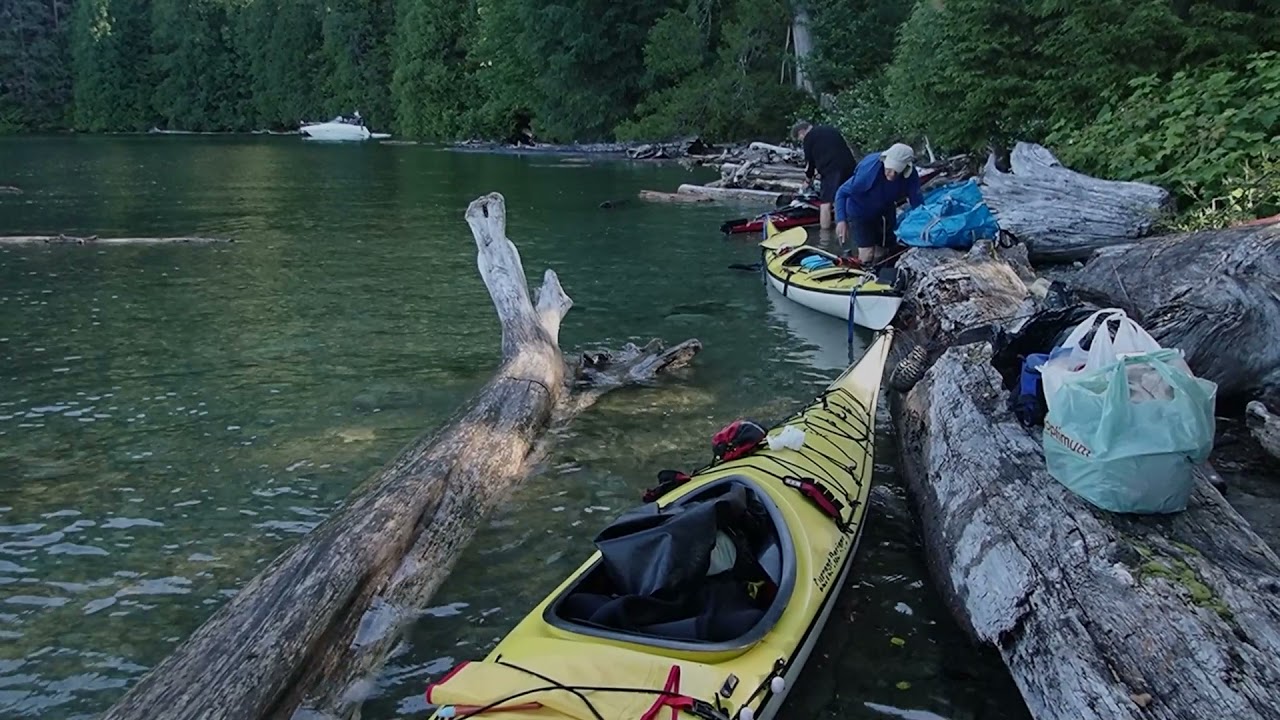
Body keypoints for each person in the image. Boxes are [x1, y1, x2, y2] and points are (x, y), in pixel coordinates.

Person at [834, 142, 923, 264]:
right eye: (888, 170)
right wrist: (841, 220)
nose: (891, 175)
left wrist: (922, 227)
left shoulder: (911, 176)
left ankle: (877, 272)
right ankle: (861, 270)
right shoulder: (868, 171)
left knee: (882, 252)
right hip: (859, 210)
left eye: (896, 172)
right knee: (867, 253)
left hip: (885, 210)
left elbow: (917, 203)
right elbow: (842, 192)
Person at [791, 121, 857, 230]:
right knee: (843, 198)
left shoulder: (809, 138)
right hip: (850, 167)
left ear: (801, 132)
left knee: (826, 203)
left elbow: (809, 164)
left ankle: (825, 235)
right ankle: (848, 229)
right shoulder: (830, 129)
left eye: (800, 138)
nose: (802, 140)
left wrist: (808, 180)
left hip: (831, 171)